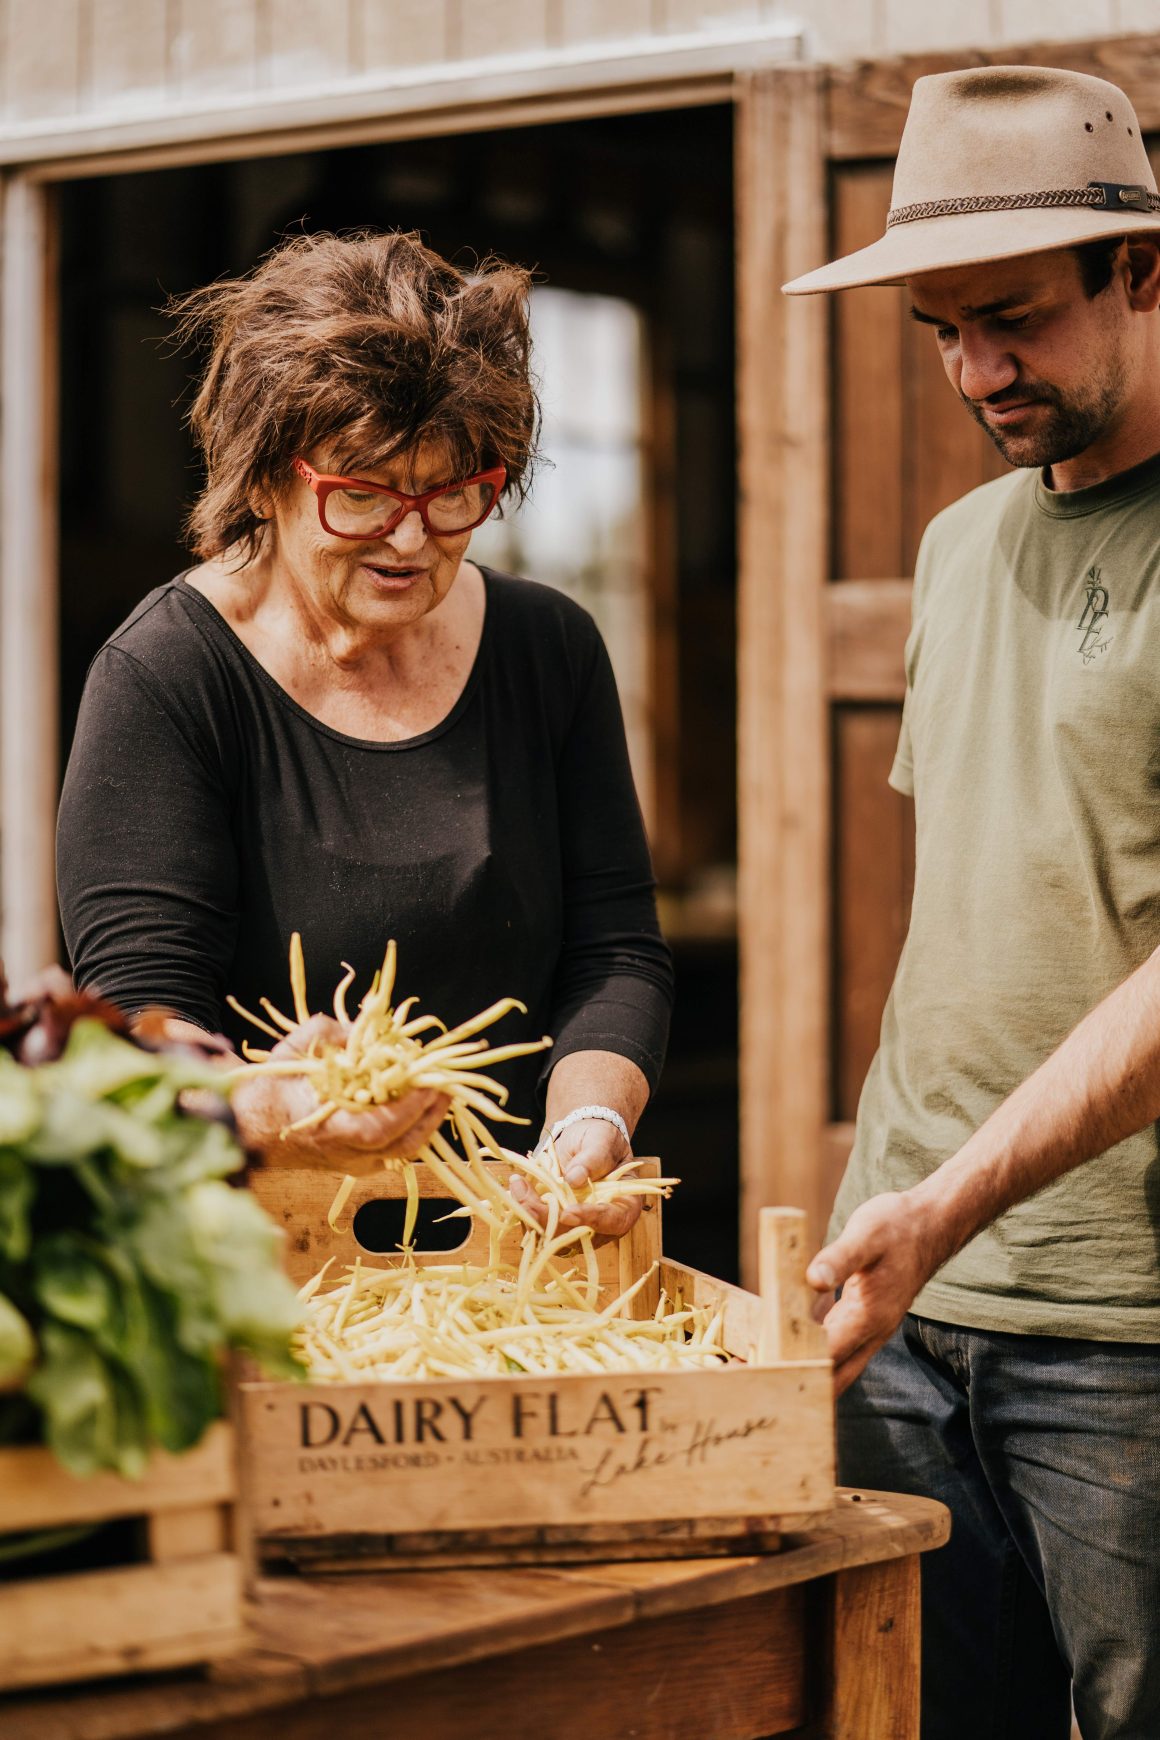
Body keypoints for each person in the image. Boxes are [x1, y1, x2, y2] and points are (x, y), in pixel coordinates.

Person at [784, 67, 1160, 1740]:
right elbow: (970, 915)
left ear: (1142, 270)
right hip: (909, 1320)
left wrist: (943, 1205)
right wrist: (892, 1206)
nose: (976, 370)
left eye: (1012, 318)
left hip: (1125, 1341)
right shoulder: (955, 549)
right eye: (941, 330)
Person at [57, 230, 672, 1236]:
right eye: (361, 496)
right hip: (270, 1262)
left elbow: (615, 951)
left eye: (451, 493)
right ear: (264, 479)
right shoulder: (166, 677)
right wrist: (274, 1105)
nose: (409, 536)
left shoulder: (545, 647)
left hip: (517, 1248)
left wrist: (588, 1125)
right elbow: (141, 1021)